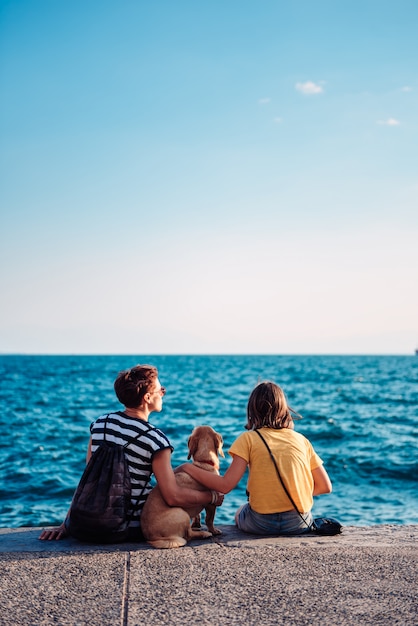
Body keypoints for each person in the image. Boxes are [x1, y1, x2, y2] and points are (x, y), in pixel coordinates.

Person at [39, 364, 223, 541]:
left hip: (84, 525)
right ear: (147, 398)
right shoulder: (156, 440)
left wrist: (66, 524)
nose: (163, 394)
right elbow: (172, 496)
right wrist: (211, 497)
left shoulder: (100, 424)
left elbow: (89, 480)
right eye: (161, 390)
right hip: (127, 528)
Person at [180, 381, 332, 535]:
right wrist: (291, 492)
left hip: (262, 524)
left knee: (240, 512)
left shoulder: (248, 439)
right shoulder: (302, 440)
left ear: (252, 411)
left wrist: (188, 468)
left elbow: (225, 486)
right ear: (284, 409)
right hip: (298, 523)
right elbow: (325, 486)